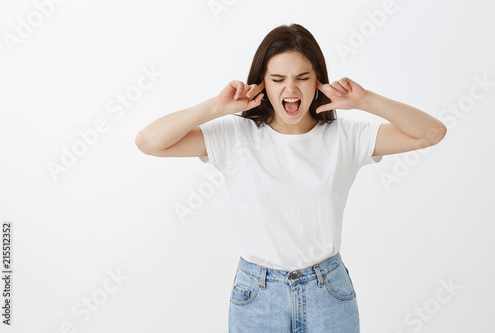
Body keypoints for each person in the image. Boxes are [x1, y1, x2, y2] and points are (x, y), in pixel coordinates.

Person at [135, 23, 447, 333]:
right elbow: (149, 142)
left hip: (328, 294)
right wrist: (217, 106)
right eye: (278, 79)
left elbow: (431, 133)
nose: (291, 89)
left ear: (318, 82)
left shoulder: (345, 137)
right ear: (263, 84)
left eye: (302, 78)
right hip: (257, 296)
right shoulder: (235, 136)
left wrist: (365, 100)